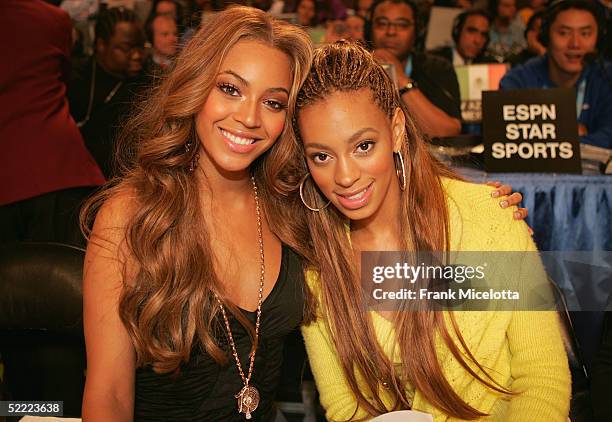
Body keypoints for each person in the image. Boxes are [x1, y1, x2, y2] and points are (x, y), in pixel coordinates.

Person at [281, 42, 571, 421]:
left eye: (364, 146)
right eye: (322, 156)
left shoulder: (485, 217)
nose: (345, 176)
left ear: (397, 130)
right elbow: (343, 407)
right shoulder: (315, 264)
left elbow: (542, 377)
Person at [80, 6, 313, 421]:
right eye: (230, 89)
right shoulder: (131, 215)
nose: (248, 117)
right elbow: (109, 396)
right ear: (196, 84)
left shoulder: (288, 207)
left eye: (273, 102)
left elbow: (394, 276)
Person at [0, 0, 104, 246]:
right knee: (65, 276)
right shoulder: (53, 19)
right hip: (59, 169)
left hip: (8, 176)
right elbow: (63, 77)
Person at [500, 0, 612, 149]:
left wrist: (556, 138)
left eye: (585, 33)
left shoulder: (607, 77)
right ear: (546, 36)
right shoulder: (517, 80)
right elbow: (505, 141)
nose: (575, 44)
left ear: (598, 38)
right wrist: (571, 135)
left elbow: (608, 136)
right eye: (564, 33)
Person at [68, 7, 148, 178]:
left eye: (141, 47)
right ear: (101, 45)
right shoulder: (75, 77)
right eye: (126, 48)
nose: (136, 55)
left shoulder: (150, 82)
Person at [367, 0, 462, 138]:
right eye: (382, 24)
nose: (391, 32)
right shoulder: (354, 69)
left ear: (417, 31)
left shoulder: (437, 67)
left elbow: (448, 131)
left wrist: (400, 78)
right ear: (369, 28)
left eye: (402, 25)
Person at [430, 9, 497, 66]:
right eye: (472, 31)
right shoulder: (433, 61)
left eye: (483, 35)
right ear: (457, 31)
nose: (478, 40)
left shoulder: (489, 65)